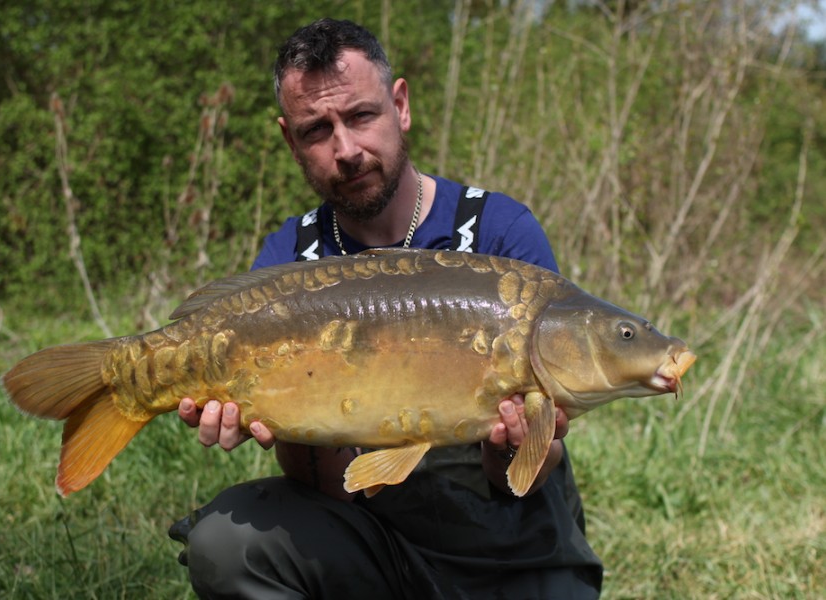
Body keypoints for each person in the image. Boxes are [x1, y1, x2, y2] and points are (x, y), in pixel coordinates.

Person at [168, 18, 603, 599]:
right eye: (317, 129)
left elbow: (525, 476)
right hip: (375, 547)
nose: (345, 149)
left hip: (515, 553)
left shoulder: (500, 233)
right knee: (225, 543)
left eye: (360, 116)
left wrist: (513, 444)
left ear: (400, 106)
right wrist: (270, 417)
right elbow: (314, 482)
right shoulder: (291, 258)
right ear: (289, 141)